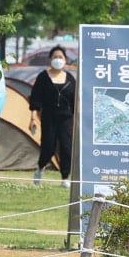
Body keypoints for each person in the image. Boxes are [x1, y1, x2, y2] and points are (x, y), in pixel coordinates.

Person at [27, 45, 75, 187]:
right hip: (49, 117)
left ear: (65, 60)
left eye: (60, 57)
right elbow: (35, 98)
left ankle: (65, 177)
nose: (58, 60)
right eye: (55, 57)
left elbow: (75, 101)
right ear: (50, 59)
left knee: (66, 147)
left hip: (66, 118)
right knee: (48, 147)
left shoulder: (70, 78)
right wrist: (33, 117)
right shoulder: (43, 77)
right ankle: (40, 168)